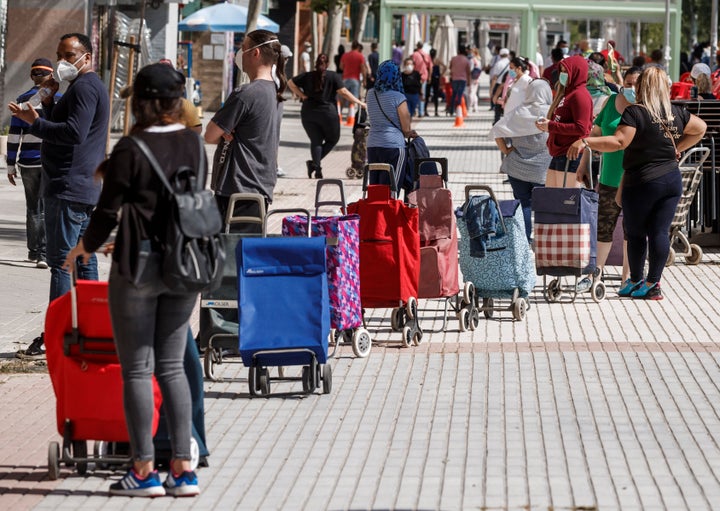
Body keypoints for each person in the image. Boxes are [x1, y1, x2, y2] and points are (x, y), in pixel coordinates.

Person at [63, 63, 203, 497]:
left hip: (137, 266)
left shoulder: (131, 148)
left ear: (141, 102)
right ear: (178, 101)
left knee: (138, 370)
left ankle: (142, 471)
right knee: (173, 369)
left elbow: (107, 212)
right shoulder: (195, 145)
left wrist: (83, 247)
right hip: (185, 265)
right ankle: (183, 470)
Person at [9, 33, 109, 359]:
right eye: (60, 55)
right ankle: (90, 332)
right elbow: (69, 125)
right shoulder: (83, 87)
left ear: (87, 56)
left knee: (61, 264)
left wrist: (34, 123)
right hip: (80, 186)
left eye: (69, 55)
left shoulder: (84, 87)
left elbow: (73, 134)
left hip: (69, 188)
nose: (62, 62)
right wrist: (49, 104)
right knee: (82, 260)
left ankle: (57, 338)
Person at [567, 66, 707, 300]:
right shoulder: (676, 112)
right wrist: (676, 148)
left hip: (641, 181)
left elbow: (619, 141)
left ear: (643, 87)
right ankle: (653, 284)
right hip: (671, 180)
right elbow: (700, 128)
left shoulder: (635, 113)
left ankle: (635, 280)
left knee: (635, 233)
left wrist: (586, 142)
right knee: (660, 232)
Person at [205, 30, 285, 231]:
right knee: (247, 255)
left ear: (255, 53)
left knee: (228, 256)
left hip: (237, 188)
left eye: (242, 49)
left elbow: (210, 135)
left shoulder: (246, 93)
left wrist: (227, 132)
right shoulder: (276, 93)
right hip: (260, 186)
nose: (238, 55)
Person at [575, 67, 642, 282]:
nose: (632, 88)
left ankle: (628, 278)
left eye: (636, 84)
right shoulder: (611, 102)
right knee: (603, 228)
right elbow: (595, 134)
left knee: (631, 232)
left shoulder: (646, 107)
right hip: (608, 178)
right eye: (629, 83)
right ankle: (596, 274)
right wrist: (585, 163)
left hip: (635, 179)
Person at [6, 58, 60, 270]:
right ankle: (44, 254)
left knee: (33, 208)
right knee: (47, 207)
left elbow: (13, 136)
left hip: (27, 164)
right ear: (51, 76)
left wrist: (11, 165)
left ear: (31, 76)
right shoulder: (60, 99)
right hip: (50, 162)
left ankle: (34, 251)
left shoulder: (21, 101)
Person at [489, 77, 553, 242]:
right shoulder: (552, 113)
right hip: (543, 169)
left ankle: (524, 239)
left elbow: (496, 130)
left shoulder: (519, 112)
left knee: (523, 203)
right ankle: (544, 240)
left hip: (517, 167)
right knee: (544, 207)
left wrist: (506, 150)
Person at [287, 53, 365, 179]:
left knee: (316, 141)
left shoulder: (307, 76)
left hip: (308, 113)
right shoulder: (333, 76)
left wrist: (301, 95)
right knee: (333, 139)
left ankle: (317, 168)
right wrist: (360, 102)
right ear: (327, 64)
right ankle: (313, 164)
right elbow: (343, 92)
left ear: (315, 64)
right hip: (328, 114)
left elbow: (290, 83)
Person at [535, 55, 592, 188]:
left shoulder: (579, 95)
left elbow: (581, 128)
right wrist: (548, 124)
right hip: (560, 153)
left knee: (566, 203)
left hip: (570, 154)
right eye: (562, 71)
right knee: (552, 200)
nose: (563, 75)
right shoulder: (567, 93)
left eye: (566, 71)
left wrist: (551, 126)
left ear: (577, 72)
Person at [366, 60, 418, 191]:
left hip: (373, 145)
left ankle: (376, 211)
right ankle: (389, 211)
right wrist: (410, 133)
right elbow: (406, 129)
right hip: (393, 147)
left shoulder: (370, 94)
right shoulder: (398, 97)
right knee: (391, 188)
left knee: (375, 188)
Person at [339, 40, 368, 125]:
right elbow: (363, 69)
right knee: (353, 99)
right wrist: (365, 79)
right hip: (355, 80)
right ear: (358, 47)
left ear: (351, 46)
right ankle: (350, 118)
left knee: (343, 98)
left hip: (345, 78)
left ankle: (339, 116)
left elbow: (341, 67)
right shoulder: (360, 56)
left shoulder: (345, 55)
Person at [449, 45, 472, 115]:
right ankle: (458, 109)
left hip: (454, 79)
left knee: (454, 94)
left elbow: (450, 67)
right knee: (460, 94)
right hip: (463, 79)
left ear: (458, 51)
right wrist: (469, 82)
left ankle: (451, 110)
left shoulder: (453, 58)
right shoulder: (466, 60)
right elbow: (468, 72)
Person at [411, 42, 432, 117]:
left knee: (414, 93)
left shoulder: (414, 55)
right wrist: (429, 77)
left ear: (417, 46)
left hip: (415, 77)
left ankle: (414, 111)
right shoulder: (427, 55)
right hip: (424, 76)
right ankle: (421, 111)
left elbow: (411, 65)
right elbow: (430, 67)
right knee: (422, 94)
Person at [425, 48, 444, 116]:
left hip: (429, 78)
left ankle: (425, 110)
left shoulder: (428, 60)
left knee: (427, 95)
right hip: (436, 78)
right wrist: (441, 74)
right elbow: (445, 66)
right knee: (435, 95)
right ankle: (436, 111)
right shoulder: (437, 60)